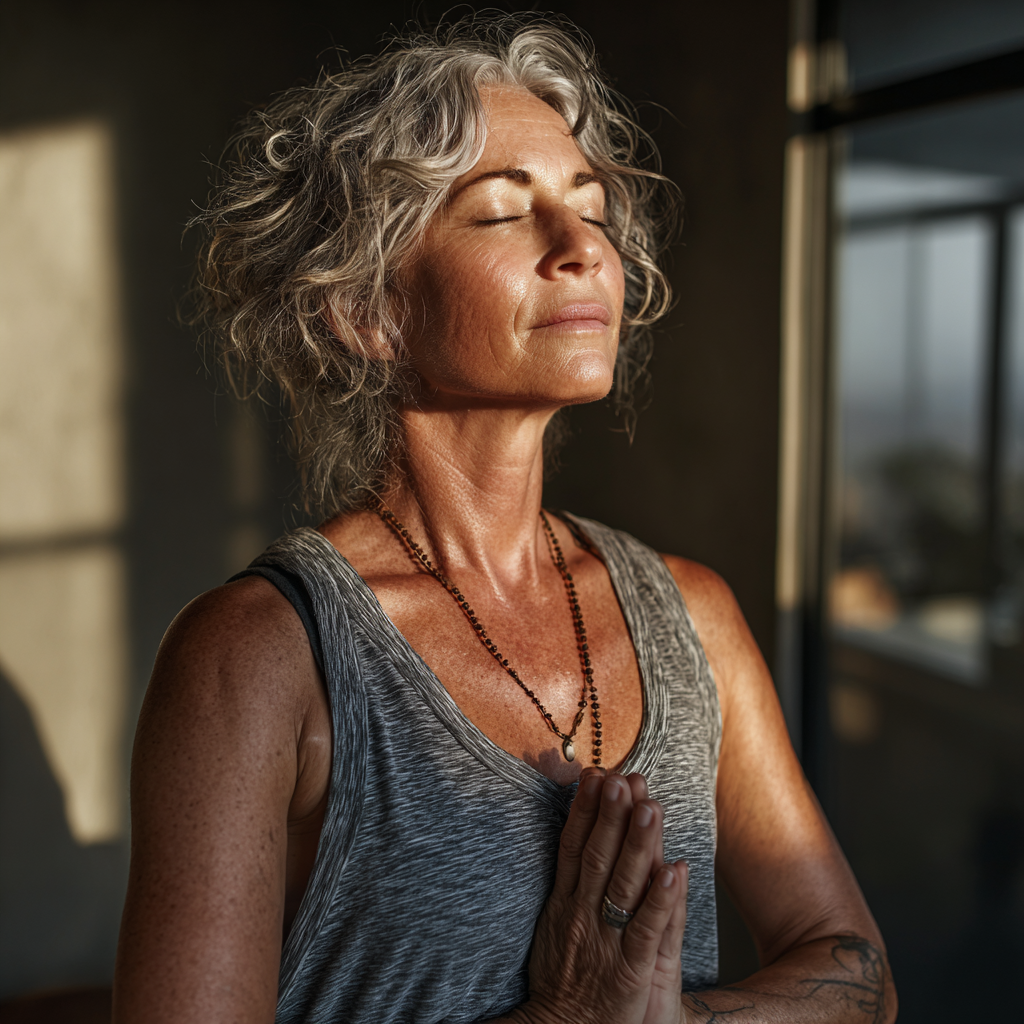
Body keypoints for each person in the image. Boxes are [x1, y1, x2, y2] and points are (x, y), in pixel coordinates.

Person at [112, 15, 896, 1024]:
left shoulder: (693, 619)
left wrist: (674, 1019)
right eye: (500, 215)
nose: (581, 251)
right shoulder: (258, 658)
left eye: (591, 209)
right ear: (367, 309)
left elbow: (859, 974)